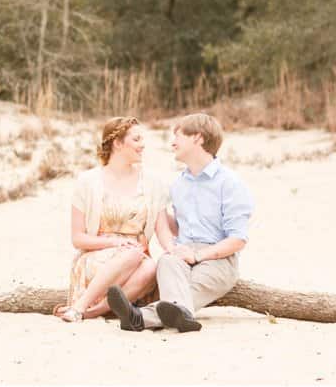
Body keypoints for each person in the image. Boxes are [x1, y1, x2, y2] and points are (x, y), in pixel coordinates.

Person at [106, 113, 254, 333]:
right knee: (167, 261)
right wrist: (155, 209)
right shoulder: (179, 185)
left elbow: (237, 240)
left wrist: (198, 256)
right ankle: (181, 317)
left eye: (178, 136)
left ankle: (140, 317)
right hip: (183, 254)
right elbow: (179, 226)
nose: (172, 142)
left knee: (184, 292)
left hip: (218, 258)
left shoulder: (230, 183)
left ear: (198, 138)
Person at [56, 116, 168, 322]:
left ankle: (91, 312)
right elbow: (78, 238)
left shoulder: (153, 183)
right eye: (136, 139)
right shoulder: (87, 182)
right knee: (133, 253)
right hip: (97, 257)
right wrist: (114, 242)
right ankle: (80, 304)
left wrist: (176, 252)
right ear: (117, 143)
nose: (142, 145)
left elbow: (163, 231)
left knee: (151, 266)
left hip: (137, 262)